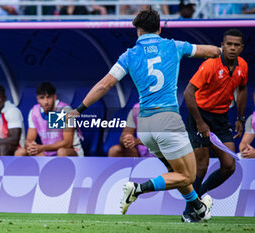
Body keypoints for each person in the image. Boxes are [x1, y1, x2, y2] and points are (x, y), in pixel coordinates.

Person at [67, 9, 221, 222]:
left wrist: (79, 110)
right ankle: (137, 189)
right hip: (168, 121)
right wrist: (223, 50)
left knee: (174, 172)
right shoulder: (173, 46)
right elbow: (210, 52)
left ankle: (198, 209)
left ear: (137, 32)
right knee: (188, 175)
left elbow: (104, 85)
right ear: (159, 28)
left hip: (146, 125)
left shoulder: (129, 55)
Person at [183, 28, 247, 221]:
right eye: (229, 44)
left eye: (236, 45)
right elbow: (188, 93)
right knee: (201, 166)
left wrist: (240, 118)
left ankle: (198, 198)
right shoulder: (210, 65)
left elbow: (242, 89)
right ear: (222, 45)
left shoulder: (242, 66)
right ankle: (189, 212)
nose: (232, 48)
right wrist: (200, 122)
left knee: (229, 165)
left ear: (241, 48)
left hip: (221, 118)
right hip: (199, 116)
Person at [14, 82, 83, 157]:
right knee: (20, 152)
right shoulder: (34, 111)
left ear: (54, 97)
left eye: (48, 97)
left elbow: (68, 143)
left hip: (71, 151)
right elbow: (29, 139)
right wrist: (30, 145)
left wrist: (42, 148)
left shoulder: (65, 110)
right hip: (47, 152)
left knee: (62, 152)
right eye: (42, 98)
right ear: (37, 99)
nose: (46, 102)